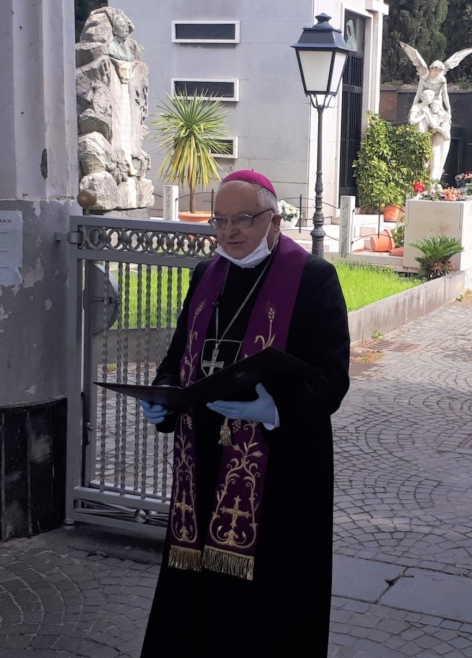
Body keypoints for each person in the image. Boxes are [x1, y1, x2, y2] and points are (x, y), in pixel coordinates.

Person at [137, 170, 351, 658]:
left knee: (268, 605)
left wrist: (274, 409)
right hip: (203, 462)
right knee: (196, 602)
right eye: (220, 220)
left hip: (279, 466)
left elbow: (331, 377)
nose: (229, 232)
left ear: (273, 221)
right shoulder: (204, 275)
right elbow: (177, 358)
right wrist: (164, 396)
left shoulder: (313, 277)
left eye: (243, 220)